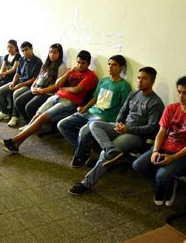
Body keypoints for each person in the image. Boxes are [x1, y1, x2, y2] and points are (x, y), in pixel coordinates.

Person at [68, 67, 165, 195]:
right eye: (139, 77)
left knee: (105, 155)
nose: (140, 81)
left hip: (135, 135)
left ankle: (86, 183)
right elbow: (123, 111)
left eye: (144, 78)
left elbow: (152, 128)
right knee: (93, 125)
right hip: (122, 127)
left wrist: (128, 129)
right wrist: (118, 123)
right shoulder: (134, 94)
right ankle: (110, 149)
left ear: (152, 81)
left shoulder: (156, 103)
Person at [0, 50, 98, 152]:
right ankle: (16, 145)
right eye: (78, 62)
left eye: (83, 63)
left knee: (42, 117)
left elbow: (76, 90)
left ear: (88, 64)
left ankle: (13, 140)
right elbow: (57, 84)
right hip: (56, 97)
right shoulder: (71, 71)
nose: (80, 65)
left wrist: (63, 88)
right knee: (36, 116)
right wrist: (69, 72)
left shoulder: (90, 76)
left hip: (69, 102)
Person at [132, 76, 186, 206]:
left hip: (183, 153)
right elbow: (161, 132)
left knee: (161, 176)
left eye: (185, 93)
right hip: (164, 147)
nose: (181, 96)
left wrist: (172, 158)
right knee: (138, 165)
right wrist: (155, 151)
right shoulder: (171, 108)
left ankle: (163, 185)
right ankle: (168, 182)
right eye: (179, 92)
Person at [58, 55, 131, 167]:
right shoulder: (104, 81)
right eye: (109, 64)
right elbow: (95, 97)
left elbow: (124, 108)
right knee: (62, 124)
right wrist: (85, 108)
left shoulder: (124, 86)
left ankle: (79, 154)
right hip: (91, 112)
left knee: (83, 131)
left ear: (121, 68)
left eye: (114, 65)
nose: (110, 67)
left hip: (104, 117)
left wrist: (117, 122)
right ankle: (85, 150)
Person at [14, 43, 67, 124]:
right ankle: (29, 122)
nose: (52, 55)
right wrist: (32, 87)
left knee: (29, 107)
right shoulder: (46, 64)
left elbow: (57, 86)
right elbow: (38, 77)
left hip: (48, 93)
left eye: (55, 53)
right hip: (38, 89)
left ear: (60, 54)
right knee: (18, 101)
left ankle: (32, 125)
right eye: (50, 52)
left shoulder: (62, 66)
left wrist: (42, 91)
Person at [0, 41, 43, 127]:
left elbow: (34, 79)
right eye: (22, 51)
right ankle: (4, 112)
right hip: (19, 82)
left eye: (26, 50)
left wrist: (19, 85)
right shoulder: (21, 59)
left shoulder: (37, 62)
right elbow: (17, 73)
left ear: (31, 49)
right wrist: (13, 83)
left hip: (28, 85)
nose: (24, 52)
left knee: (15, 93)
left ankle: (15, 116)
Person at [0, 39, 21, 109]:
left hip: (12, 78)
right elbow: (2, 67)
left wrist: (2, 74)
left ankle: (1, 105)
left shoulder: (18, 56)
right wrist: (0, 75)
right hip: (4, 76)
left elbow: (13, 69)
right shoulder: (6, 56)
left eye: (11, 47)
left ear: (15, 47)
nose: (9, 49)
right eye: (8, 47)